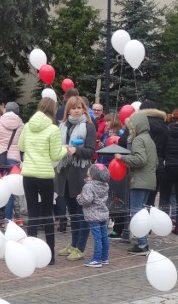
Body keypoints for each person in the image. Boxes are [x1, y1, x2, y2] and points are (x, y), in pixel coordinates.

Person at [18, 97, 69, 266]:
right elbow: (55, 155)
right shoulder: (53, 129)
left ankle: (31, 253)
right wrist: (65, 149)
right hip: (45, 175)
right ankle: (50, 255)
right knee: (47, 215)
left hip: (29, 174)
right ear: (53, 110)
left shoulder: (27, 126)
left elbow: (22, 146)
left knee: (32, 215)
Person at [56, 96, 96, 261]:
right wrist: (62, 148)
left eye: (80, 107)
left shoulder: (88, 126)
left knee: (81, 212)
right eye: (73, 108)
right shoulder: (62, 126)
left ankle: (80, 247)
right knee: (72, 211)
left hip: (80, 172)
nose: (77, 110)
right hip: (64, 171)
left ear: (84, 109)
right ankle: (73, 243)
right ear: (68, 110)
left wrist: (75, 150)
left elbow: (90, 151)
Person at [114, 112, 157, 255]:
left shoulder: (138, 140)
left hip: (139, 181)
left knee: (136, 213)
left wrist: (123, 158)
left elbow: (140, 160)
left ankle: (142, 244)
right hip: (149, 180)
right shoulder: (149, 139)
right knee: (141, 212)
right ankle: (142, 243)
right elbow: (154, 161)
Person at [0, 102, 24, 224]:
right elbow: (23, 145)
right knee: (10, 189)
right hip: (14, 159)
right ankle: (7, 220)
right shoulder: (22, 125)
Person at [77, 163, 111, 267]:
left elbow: (87, 200)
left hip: (93, 215)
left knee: (97, 238)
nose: (88, 170)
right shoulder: (105, 185)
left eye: (89, 169)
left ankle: (96, 259)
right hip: (103, 214)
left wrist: (79, 198)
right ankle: (104, 257)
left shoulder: (89, 186)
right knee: (104, 236)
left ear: (93, 173)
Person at [137, 100, 168, 207]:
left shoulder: (137, 123)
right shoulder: (164, 126)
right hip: (157, 165)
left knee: (138, 201)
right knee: (151, 200)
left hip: (140, 165)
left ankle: (139, 222)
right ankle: (150, 220)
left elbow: (123, 141)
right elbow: (166, 147)